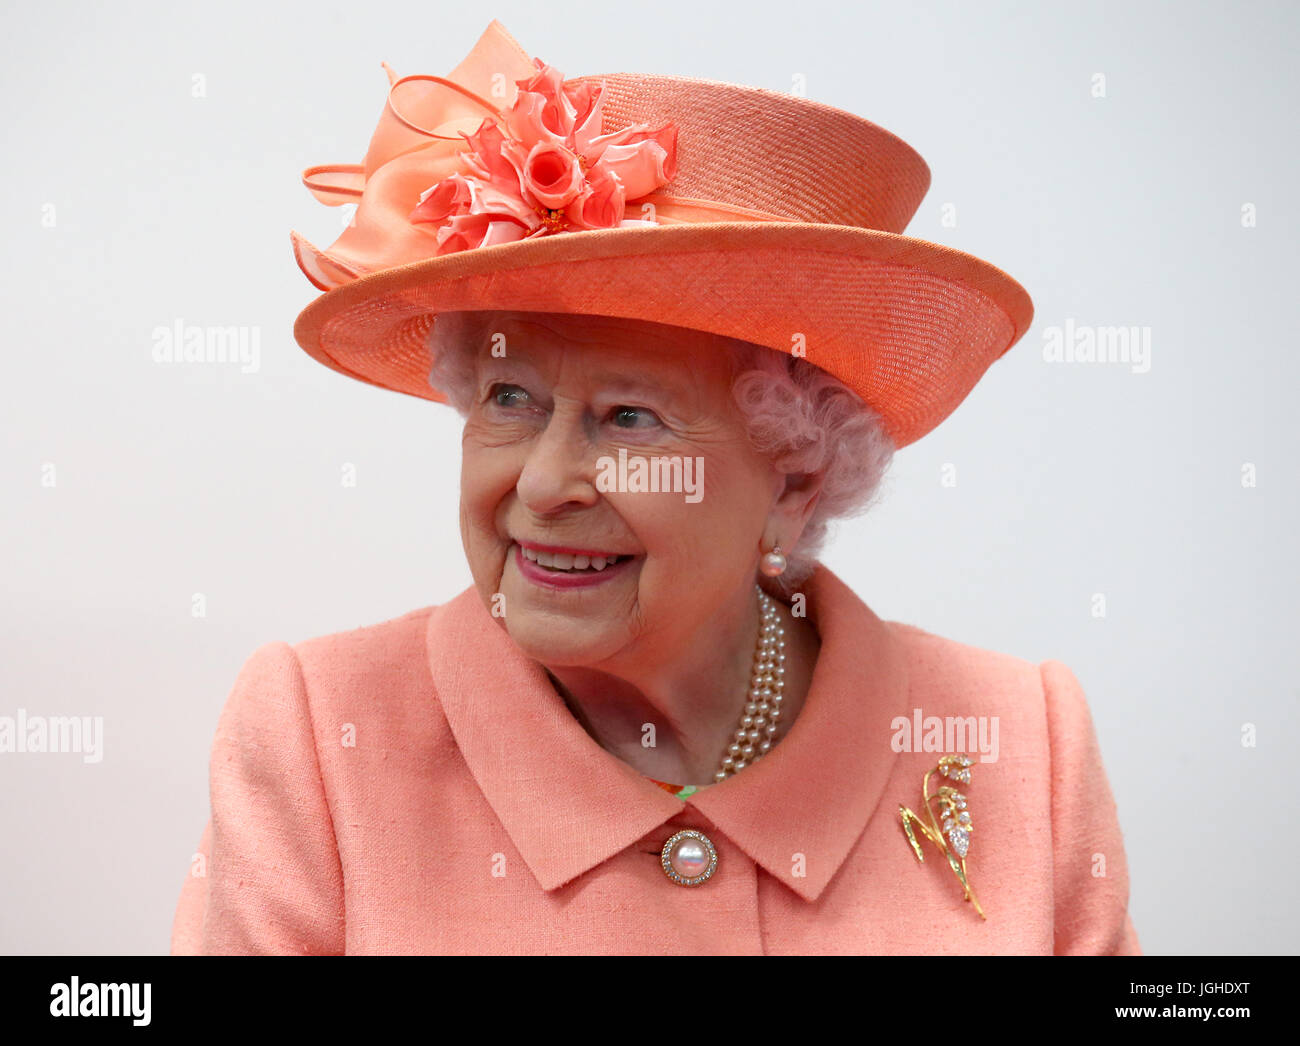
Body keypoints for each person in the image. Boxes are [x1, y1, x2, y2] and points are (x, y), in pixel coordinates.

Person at [170, 19, 1139, 955]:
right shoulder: (320, 744)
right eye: (510, 396)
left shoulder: (1020, 743)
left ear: (793, 478)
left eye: (628, 417)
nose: (544, 481)